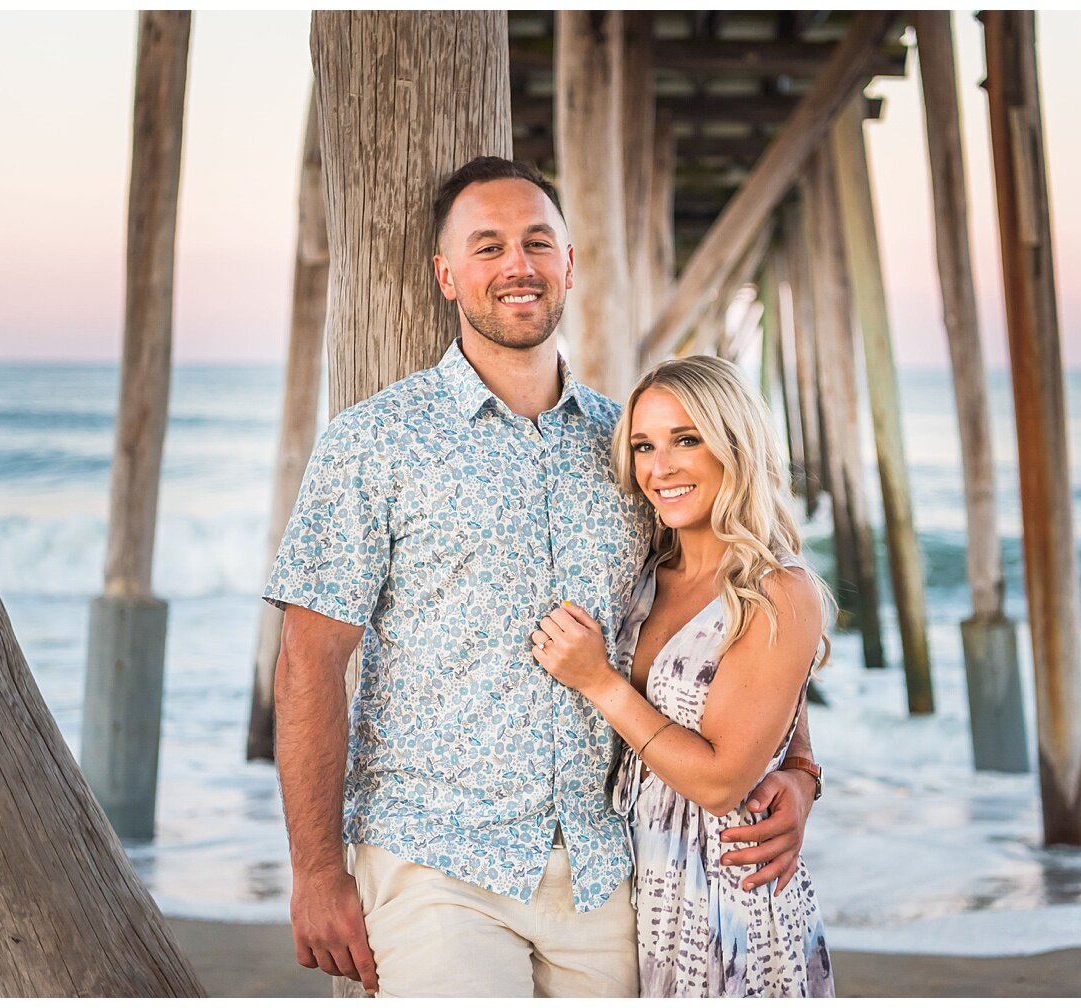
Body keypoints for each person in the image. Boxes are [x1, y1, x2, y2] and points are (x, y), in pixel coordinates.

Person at [263, 156, 824, 998]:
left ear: (569, 265)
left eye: (536, 242)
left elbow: (726, 603)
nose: (515, 265)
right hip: (435, 858)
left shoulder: (627, 442)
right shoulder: (374, 441)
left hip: (606, 869)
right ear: (446, 275)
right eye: (486, 247)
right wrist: (314, 871)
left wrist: (801, 770)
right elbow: (309, 660)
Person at [531, 355, 836, 997]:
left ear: (735, 446)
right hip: (640, 881)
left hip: (727, 892)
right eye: (644, 445)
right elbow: (781, 711)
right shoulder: (647, 573)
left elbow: (722, 780)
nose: (659, 468)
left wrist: (599, 681)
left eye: (686, 440)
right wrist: (803, 770)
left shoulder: (776, 590)